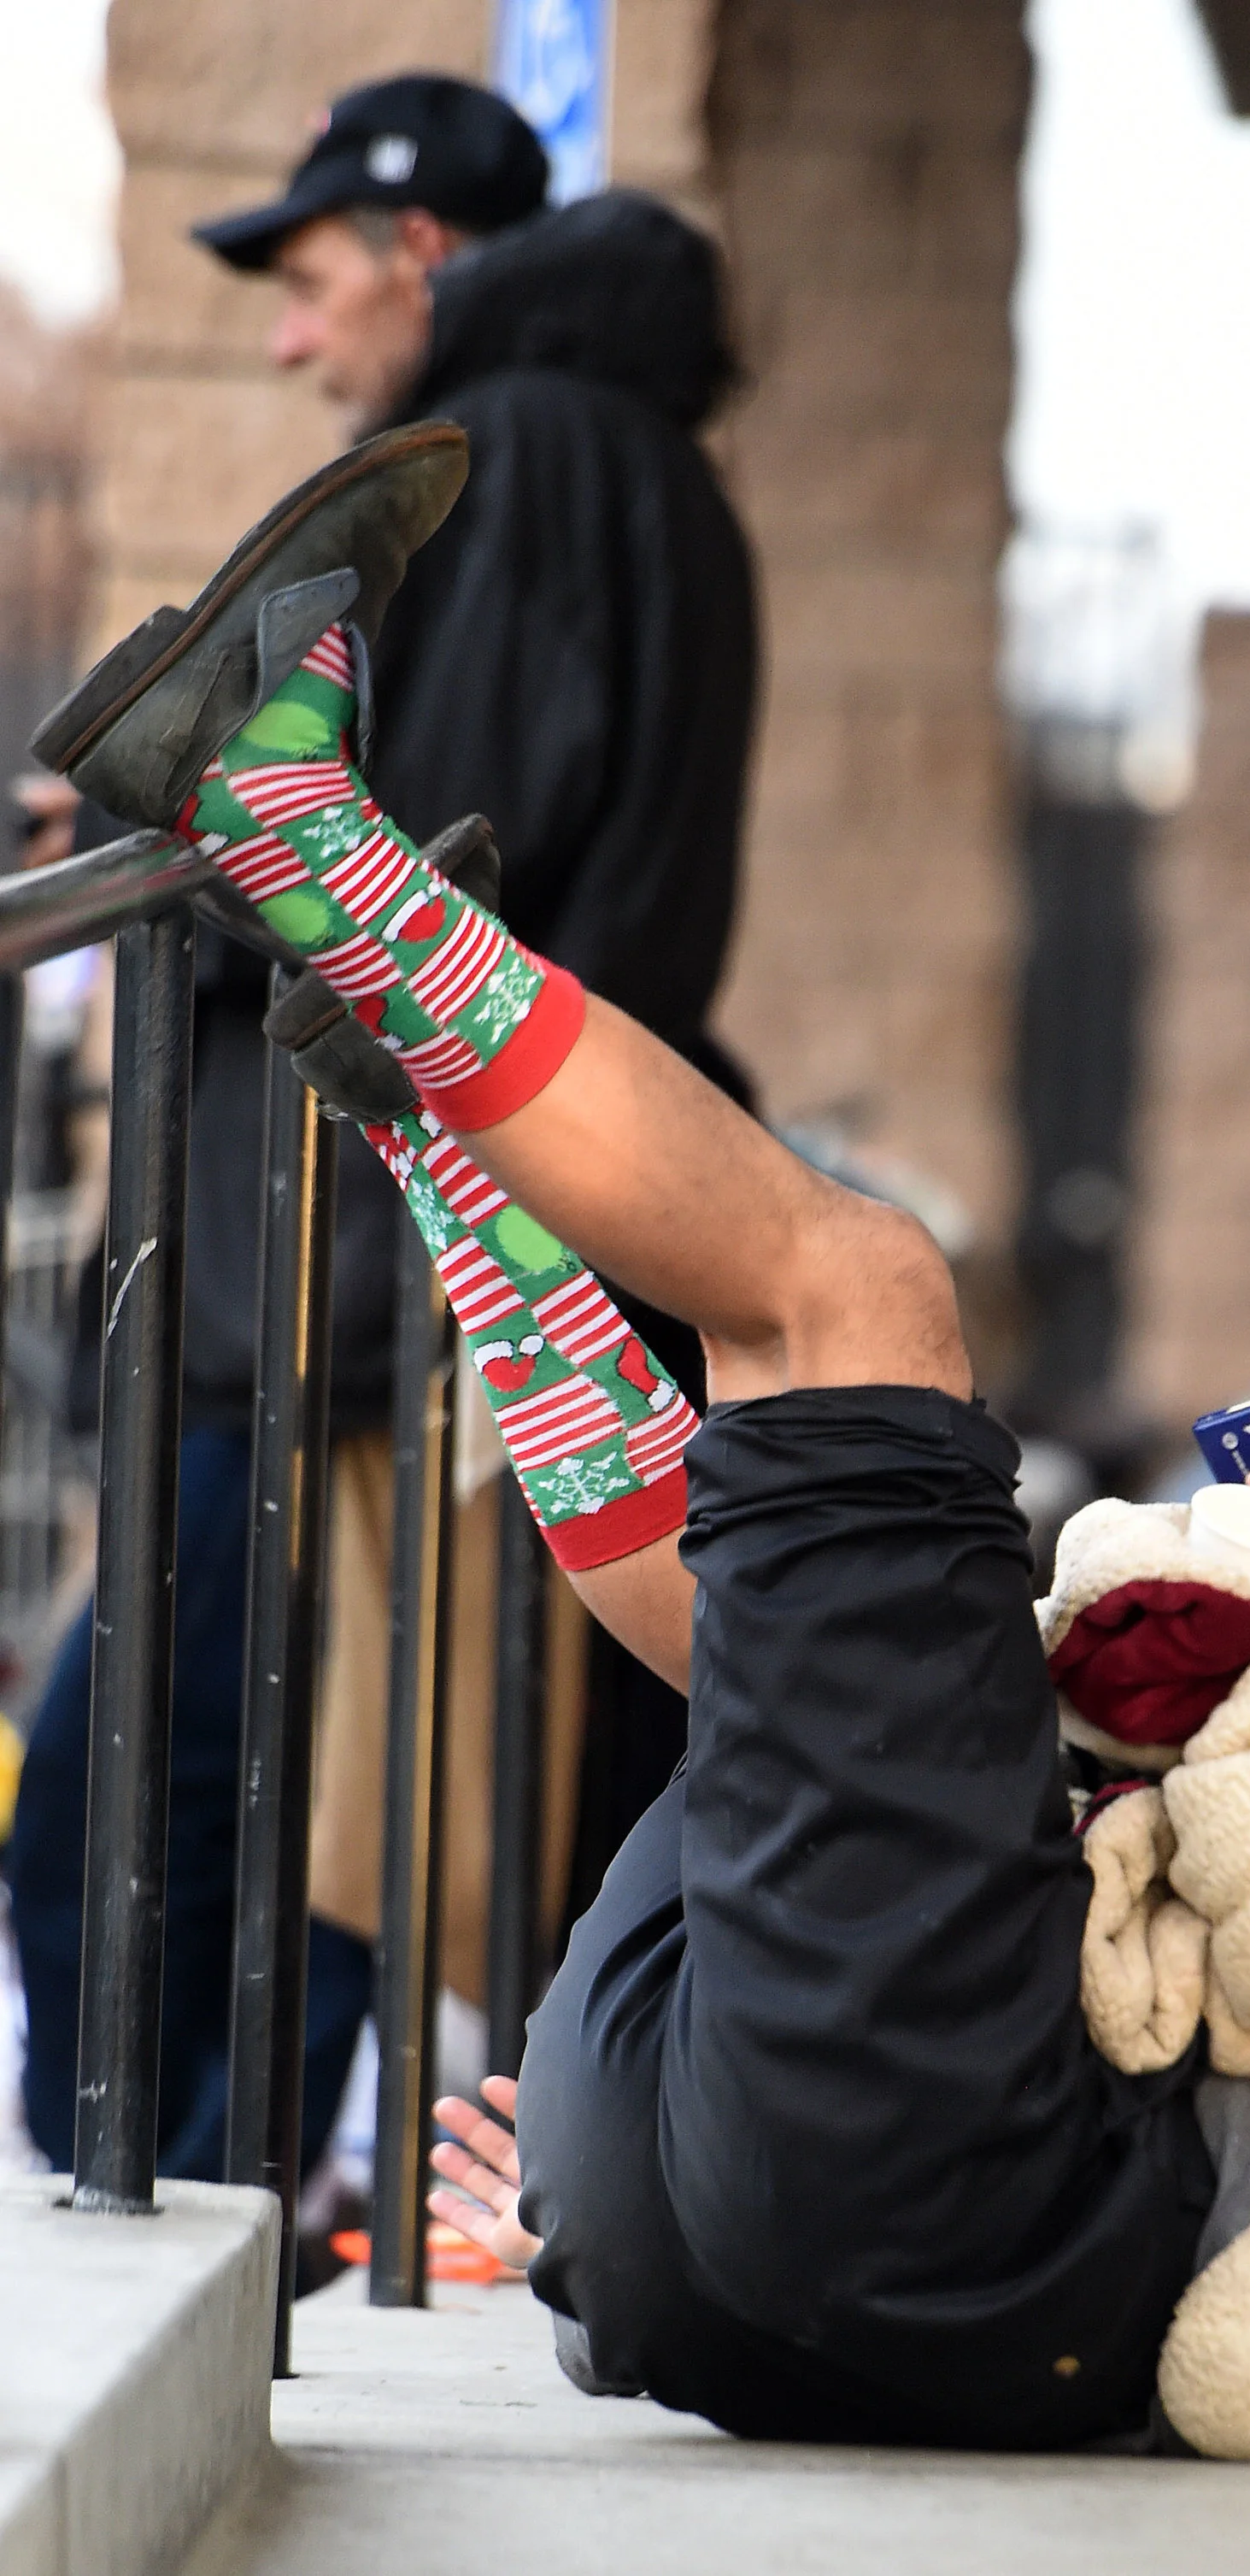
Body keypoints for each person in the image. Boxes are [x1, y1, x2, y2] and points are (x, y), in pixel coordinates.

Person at [32, 426, 1250, 2453]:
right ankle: (427, 1111)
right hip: (773, 2221)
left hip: (950, 2198)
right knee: (785, 1588)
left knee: (862, 1298)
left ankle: (277, 810)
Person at [8, 75, 758, 2184]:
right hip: (456, 1236)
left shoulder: (519, 461)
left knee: (197, 1824)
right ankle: (221, 2224)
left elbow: (438, 879)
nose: (284, 337)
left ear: (427, 257)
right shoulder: (655, 480)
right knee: (298, 1828)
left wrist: (215, 848)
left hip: (361, 1268)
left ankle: (180, 2241)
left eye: (316, 279)